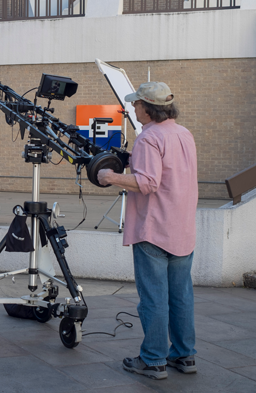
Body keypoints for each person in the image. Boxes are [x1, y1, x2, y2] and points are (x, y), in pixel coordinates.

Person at [97, 82, 198, 380]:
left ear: (149, 108)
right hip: (182, 227)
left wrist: (111, 176)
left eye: (137, 104)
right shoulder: (185, 134)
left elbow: (149, 183)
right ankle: (185, 355)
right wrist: (133, 162)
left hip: (154, 229)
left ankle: (154, 360)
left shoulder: (147, 138)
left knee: (153, 297)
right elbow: (170, 173)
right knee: (181, 296)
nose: (134, 108)